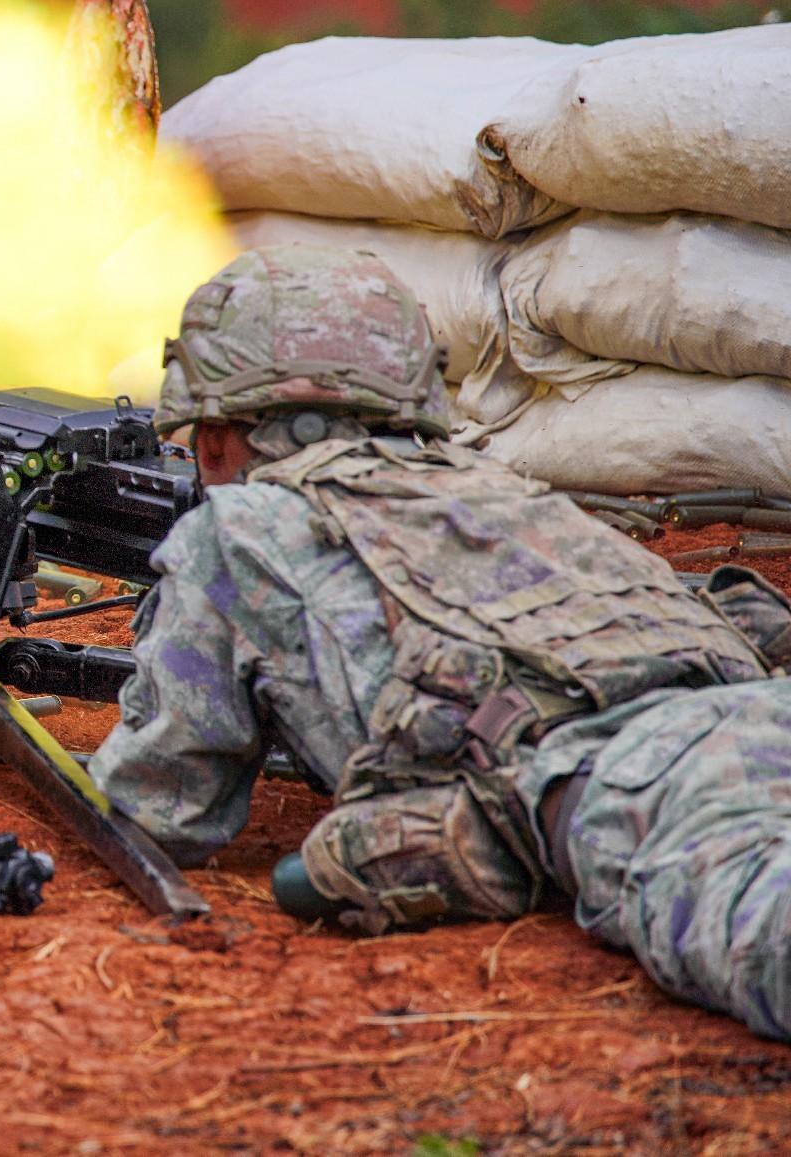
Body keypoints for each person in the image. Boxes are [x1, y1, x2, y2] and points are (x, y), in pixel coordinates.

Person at [87, 244, 791, 1039]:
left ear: (214, 437)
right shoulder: (504, 489)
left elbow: (159, 807)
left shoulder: (238, 528)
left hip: (645, 786)